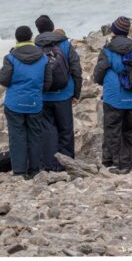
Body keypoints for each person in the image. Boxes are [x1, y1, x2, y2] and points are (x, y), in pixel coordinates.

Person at [92, 16, 132, 174]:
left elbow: (98, 74)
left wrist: (104, 83)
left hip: (114, 96)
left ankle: (120, 164)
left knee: (114, 130)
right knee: (131, 130)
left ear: (114, 31)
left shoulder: (108, 50)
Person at [0, 25, 52, 179]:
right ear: (31, 37)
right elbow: (48, 82)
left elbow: (4, 80)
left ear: (17, 39)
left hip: (14, 102)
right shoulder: (43, 57)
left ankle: (19, 171)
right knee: (35, 136)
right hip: (34, 102)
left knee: (17, 137)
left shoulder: (10, 57)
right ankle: (34, 170)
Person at [34, 15, 82, 171]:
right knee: (66, 129)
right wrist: (76, 92)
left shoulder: (35, 46)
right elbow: (76, 69)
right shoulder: (64, 44)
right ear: (52, 26)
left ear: (38, 29)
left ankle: (48, 165)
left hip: (43, 95)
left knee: (47, 130)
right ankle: (67, 164)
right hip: (64, 93)